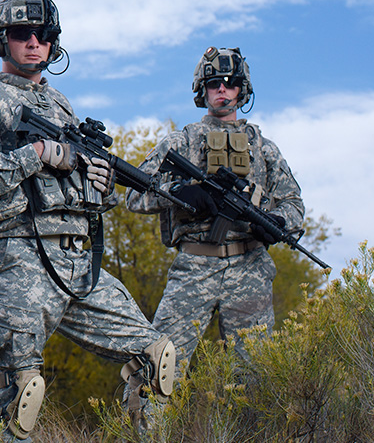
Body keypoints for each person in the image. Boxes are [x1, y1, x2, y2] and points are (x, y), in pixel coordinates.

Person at [0, 0, 175, 441]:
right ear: (0, 40)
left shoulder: (61, 104)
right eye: (23, 32)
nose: (35, 42)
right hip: (17, 260)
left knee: (157, 357)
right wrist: (38, 152)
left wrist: (102, 188)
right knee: (20, 395)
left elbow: (79, 189)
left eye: (45, 34)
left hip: (76, 260)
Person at [126, 46, 305, 378]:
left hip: (250, 266)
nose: (222, 90)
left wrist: (278, 222)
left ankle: (253, 433)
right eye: (214, 84)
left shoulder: (264, 149)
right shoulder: (181, 143)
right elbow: (135, 196)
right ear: (202, 90)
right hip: (195, 264)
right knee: (158, 367)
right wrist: (180, 192)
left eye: (230, 83)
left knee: (257, 377)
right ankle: (145, 430)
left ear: (242, 89)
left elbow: (293, 205)